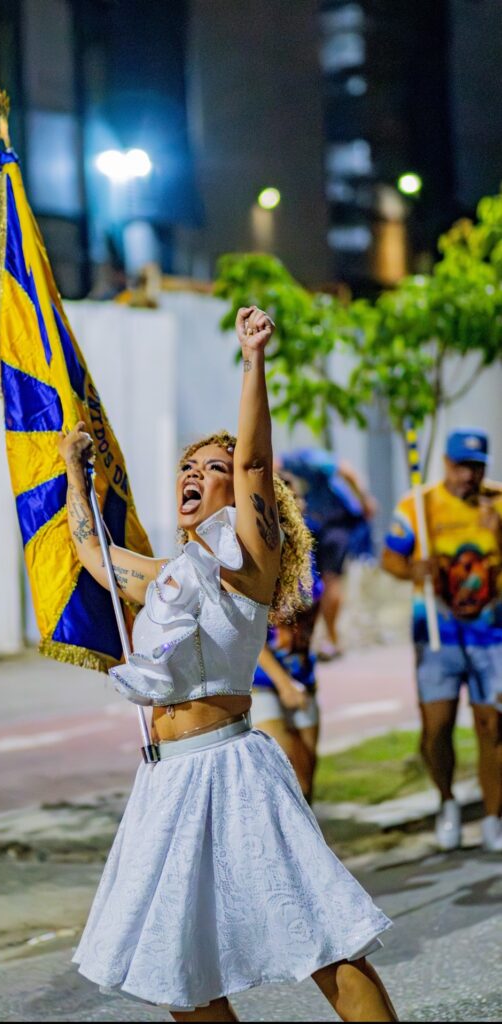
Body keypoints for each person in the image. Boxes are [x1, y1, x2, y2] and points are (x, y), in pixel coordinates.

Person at [59, 308, 397, 1022]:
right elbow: (90, 552)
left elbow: (253, 461)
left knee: (326, 945)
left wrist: (252, 358)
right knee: (175, 971)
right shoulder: (167, 577)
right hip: (166, 783)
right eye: (189, 465)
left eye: (212, 470)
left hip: (232, 770)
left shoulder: (247, 563)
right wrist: (70, 470)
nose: (196, 474)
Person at [382, 428, 502, 853]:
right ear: (446, 465)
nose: (468, 476)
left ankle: (493, 816)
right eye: (460, 466)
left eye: (476, 466)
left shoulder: (499, 502)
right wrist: (413, 570)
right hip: (437, 633)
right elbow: (390, 557)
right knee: (437, 728)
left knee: (493, 726)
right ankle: (447, 801)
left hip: (492, 635)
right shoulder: (419, 505)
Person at [251, 473, 323, 803]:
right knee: (284, 778)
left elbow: (312, 607)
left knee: (307, 780)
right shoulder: (254, 556)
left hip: (302, 672)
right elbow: (247, 633)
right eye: (289, 501)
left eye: (300, 500)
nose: (299, 507)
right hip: (264, 680)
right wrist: (282, 684)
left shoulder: (306, 554)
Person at [281, 447, 376, 661]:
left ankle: (317, 639)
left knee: (314, 583)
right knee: (331, 581)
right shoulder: (318, 459)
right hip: (333, 526)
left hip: (312, 525)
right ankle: (331, 639)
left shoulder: (288, 461)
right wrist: (364, 500)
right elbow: (347, 471)